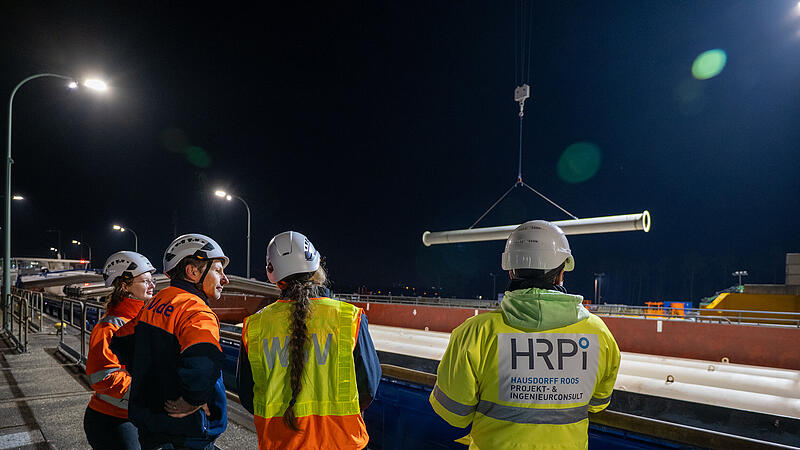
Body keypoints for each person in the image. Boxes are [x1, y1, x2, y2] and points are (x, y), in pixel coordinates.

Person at [430, 220, 621, 449]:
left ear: (511, 270)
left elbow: (453, 412)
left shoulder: (476, 332)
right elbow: (598, 403)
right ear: (562, 274)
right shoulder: (599, 334)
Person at [237, 231, 381, 450]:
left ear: (273, 274)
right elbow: (368, 387)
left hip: (279, 443)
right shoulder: (349, 318)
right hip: (343, 442)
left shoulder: (255, 325)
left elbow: (248, 395)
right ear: (316, 266)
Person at [111, 234, 230, 449]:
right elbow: (204, 364)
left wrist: (153, 384)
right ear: (193, 272)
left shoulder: (156, 301)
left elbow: (120, 341)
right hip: (185, 432)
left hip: (151, 425)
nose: (225, 279)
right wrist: (192, 400)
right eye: (218, 270)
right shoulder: (196, 311)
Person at [84, 251, 156, 450]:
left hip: (135, 417)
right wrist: (152, 390)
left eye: (152, 281)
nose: (152, 286)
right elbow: (102, 377)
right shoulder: (109, 327)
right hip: (113, 421)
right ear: (124, 285)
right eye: (145, 281)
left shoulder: (145, 321)